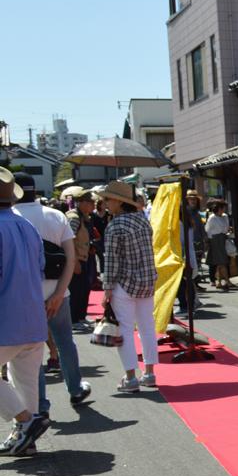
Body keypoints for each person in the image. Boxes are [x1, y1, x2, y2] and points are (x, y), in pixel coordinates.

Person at [12, 175, 92, 415]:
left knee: (30, 351)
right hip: (59, 292)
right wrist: (59, 292)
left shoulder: (10, 218)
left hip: (25, 298)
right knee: (65, 342)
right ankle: (76, 388)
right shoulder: (55, 215)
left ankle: (40, 404)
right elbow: (70, 258)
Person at [0, 167, 51, 456]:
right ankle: (26, 439)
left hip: (6, 318)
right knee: (26, 381)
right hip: (33, 314)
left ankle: (25, 421)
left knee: (22, 380)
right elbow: (41, 267)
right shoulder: (26, 226)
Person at [99, 181, 159, 393]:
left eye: (107, 199)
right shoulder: (143, 221)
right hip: (147, 280)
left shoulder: (115, 226)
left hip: (124, 284)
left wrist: (106, 289)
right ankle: (150, 373)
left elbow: (112, 261)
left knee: (124, 330)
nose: (104, 203)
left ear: (119, 201)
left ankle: (131, 377)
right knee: (147, 327)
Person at [64, 187, 97, 326]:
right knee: (76, 291)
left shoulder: (84, 217)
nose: (94, 205)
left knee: (85, 289)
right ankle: (74, 320)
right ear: (82, 202)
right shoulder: (74, 218)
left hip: (85, 257)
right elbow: (68, 240)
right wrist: (74, 261)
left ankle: (81, 317)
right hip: (76, 260)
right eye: (91, 202)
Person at [205, 199, 232, 290]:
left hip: (223, 238)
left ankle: (221, 281)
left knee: (223, 261)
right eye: (222, 208)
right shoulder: (212, 217)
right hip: (215, 239)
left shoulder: (225, 216)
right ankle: (223, 281)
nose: (224, 210)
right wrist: (210, 241)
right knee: (220, 261)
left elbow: (226, 228)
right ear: (218, 208)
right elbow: (208, 230)